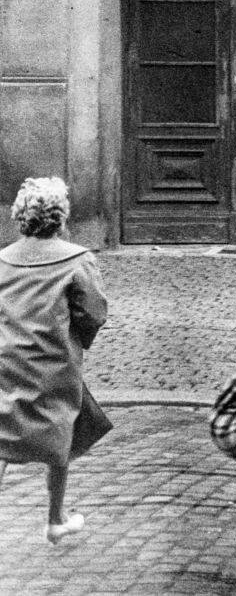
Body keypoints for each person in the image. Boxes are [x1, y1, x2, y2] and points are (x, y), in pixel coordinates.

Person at [0, 177, 109, 543]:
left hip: (7, 360)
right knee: (61, 431)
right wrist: (82, 337)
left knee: (2, 430)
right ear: (61, 216)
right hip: (54, 362)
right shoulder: (77, 260)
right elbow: (92, 312)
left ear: (21, 216)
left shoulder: (2, 260)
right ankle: (55, 518)